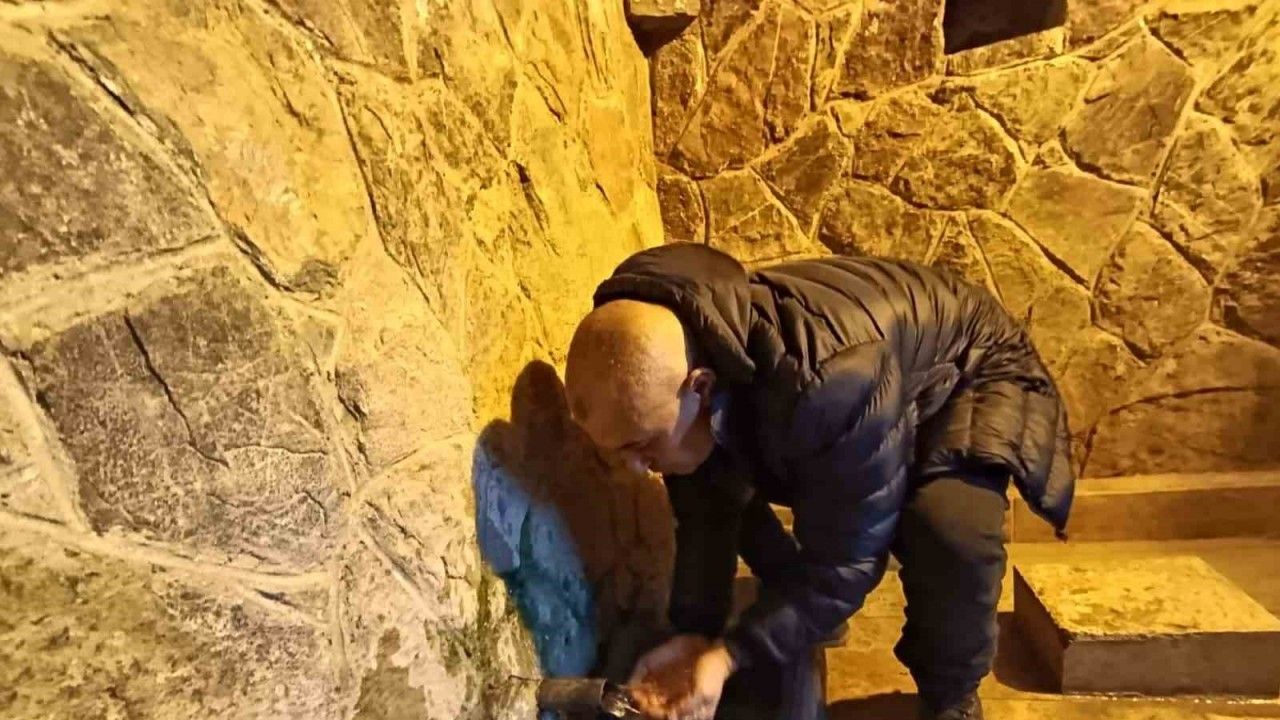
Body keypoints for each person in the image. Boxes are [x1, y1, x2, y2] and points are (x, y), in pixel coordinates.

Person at [564, 243, 1073, 720]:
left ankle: (952, 695)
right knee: (719, 480)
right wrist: (694, 636)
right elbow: (707, 519)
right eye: (619, 449)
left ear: (700, 386)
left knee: (948, 532)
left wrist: (730, 655)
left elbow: (847, 562)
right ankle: (803, 617)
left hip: (967, 367)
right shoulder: (699, 363)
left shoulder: (827, 384)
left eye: (641, 445)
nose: (635, 468)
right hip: (873, 373)